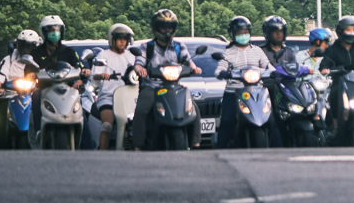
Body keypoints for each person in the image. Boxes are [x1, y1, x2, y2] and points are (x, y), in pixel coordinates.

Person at [132, 9, 203, 150]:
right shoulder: (147, 47)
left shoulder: (178, 46)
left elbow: (188, 61)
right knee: (141, 111)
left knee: (193, 108)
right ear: (156, 27)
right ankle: (138, 146)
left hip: (174, 86)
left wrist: (194, 68)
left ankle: (196, 143)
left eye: (170, 26)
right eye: (163, 27)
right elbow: (138, 62)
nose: (167, 30)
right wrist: (139, 68)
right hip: (152, 87)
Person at [28, 15, 88, 148]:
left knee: (80, 108)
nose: (55, 33)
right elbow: (29, 68)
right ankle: (38, 131)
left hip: (67, 89)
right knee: (35, 95)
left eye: (57, 30)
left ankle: (87, 144)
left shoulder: (69, 51)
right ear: (44, 32)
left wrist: (84, 71)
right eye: (51, 30)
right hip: (44, 89)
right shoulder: (36, 52)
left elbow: (78, 65)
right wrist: (30, 73)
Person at [215, 16, 273, 149]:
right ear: (232, 34)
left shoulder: (257, 51)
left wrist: (274, 72)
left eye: (245, 32)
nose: (243, 35)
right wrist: (223, 73)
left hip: (257, 92)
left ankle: (277, 148)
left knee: (270, 120)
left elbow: (268, 66)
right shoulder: (228, 53)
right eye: (240, 33)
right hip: (234, 92)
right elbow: (219, 70)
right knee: (227, 121)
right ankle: (220, 149)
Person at [93, 23, 136, 150]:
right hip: (108, 97)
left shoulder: (131, 56)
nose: (122, 42)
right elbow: (95, 76)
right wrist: (102, 75)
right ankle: (103, 154)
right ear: (113, 40)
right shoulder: (104, 55)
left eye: (125, 39)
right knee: (107, 125)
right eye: (119, 39)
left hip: (128, 97)